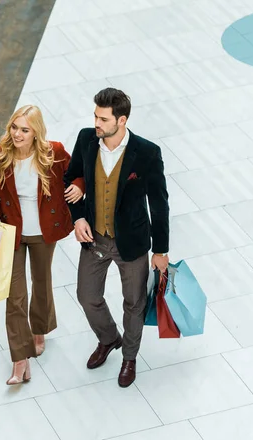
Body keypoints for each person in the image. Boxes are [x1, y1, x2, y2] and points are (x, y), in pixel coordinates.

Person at [64, 88, 169, 388]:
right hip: (95, 238)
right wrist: (79, 216)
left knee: (134, 302)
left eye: (103, 118)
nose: (96, 123)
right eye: (95, 116)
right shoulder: (86, 140)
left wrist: (161, 250)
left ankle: (130, 358)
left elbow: (160, 204)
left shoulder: (147, 153)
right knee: (87, 295)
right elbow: (71, 178)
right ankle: (109, 339)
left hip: (132, 243)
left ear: (121, 120)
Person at [0, 105, 84, 385]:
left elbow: (79, 173)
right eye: (14, 127)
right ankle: (20, 360)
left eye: (24, 129)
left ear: (36, 132)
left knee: (41, 282)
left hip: (43, 231)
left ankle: (39, 329)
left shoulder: (54, 153)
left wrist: (79, 186)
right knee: (14, 297)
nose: (17, 133)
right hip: (11, 232)